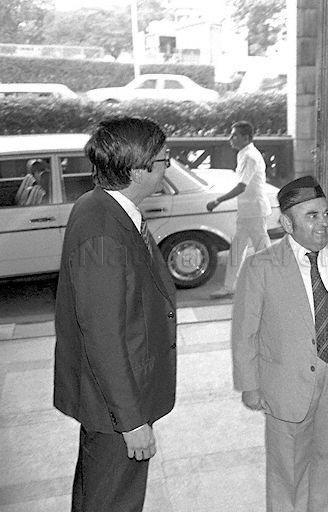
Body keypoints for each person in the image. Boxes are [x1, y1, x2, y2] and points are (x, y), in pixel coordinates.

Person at [54, 117, 177, 512]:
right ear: (138, 170)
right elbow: (102, 337)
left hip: (114, 398)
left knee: (97, 494)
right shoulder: (103, 233)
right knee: (112, 501)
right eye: (164, 161)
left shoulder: (104, 207)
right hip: (115, 407)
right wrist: (131, 421)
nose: (167, 168)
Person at [230, 175, 328, 511]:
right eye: (311, 216)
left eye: (326, 213)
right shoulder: (261, 266)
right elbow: (245, 333)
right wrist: (250, 386)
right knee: (288, 464)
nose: (323, 223)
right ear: (286, 222)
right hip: (286, 377)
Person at [207, 120, 271, 299]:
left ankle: (273, 287)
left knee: (262, 251)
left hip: (254, 212)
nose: (230, 138)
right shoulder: (244, 154)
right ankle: (229, 287)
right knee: (240, 249)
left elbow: (241, 186)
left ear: (246, 137)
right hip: (248, 211)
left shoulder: (250, 156)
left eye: (234, 135)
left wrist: (218, 200)